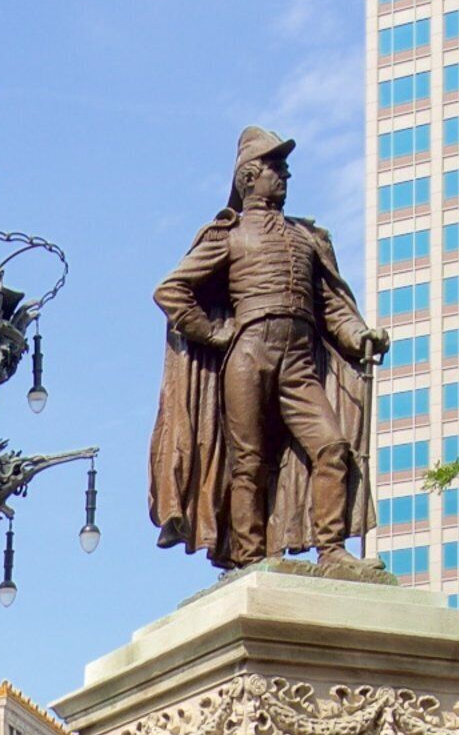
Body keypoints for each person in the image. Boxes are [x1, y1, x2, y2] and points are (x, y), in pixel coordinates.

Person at [147, 127, 388, 571]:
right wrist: (217, 332)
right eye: (275, 168)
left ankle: (331, 550)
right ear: (248, 179)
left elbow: (333, 306)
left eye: (284, 168)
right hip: (249, 352)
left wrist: (359, 335)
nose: (285, 175)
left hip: (299, 358)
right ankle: (250, 556)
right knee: (249, 461)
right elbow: (172, 290)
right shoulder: (228, 234)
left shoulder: (309, 238)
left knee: (332, 445)